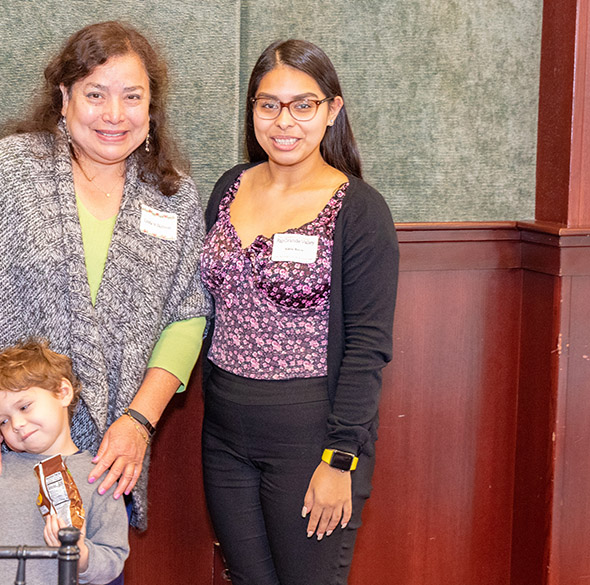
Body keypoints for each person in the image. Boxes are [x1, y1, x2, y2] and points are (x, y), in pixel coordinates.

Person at [0, 21, 209, 542]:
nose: (115, 114)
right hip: (9, 447)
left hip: (104, 462)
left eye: (132, 96)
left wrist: (139, 421)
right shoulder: (11, 169)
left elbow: (188, 316)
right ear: (65, 96)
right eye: (96, 94)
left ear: (151, 106)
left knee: (93, 567)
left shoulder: (172, 195)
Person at [200, 39, 399, 585]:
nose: (283, 120)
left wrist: (340, 460)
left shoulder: (358, 209)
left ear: (332, 110)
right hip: (223, 431)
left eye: (303, 104)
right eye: (268, 104)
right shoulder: (229, 187)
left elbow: (366, 346)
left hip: (310, 435)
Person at [0, 339, 129, 585]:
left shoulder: (100, 477)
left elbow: (113, 559)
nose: (17, 425)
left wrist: (81, 554)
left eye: (24, 406)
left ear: (63, 392)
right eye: (3, 421)